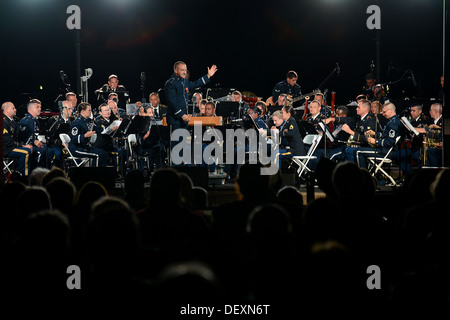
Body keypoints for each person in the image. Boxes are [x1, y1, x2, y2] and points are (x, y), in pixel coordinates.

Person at [164, 61, 218, 165]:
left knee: (184, 149)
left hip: (184, 121)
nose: (184, 72)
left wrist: (208, 76)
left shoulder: (183, 81)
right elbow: (172, 102)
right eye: (182, 70)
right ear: (176, 70)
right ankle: (176, 174)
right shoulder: (170, 83)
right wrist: (181, 115)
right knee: (177, 150)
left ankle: (182, 173)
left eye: (185, 70)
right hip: (176, 121)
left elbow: (195, 83)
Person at [354, 102, 402, 170]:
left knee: (358, 151)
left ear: (390, 110)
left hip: (387, 152)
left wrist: (375, 141)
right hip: (385, 150)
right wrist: (375, 134)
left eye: (384, 112)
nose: (383, 114)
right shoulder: (392, 121)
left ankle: (364, 175)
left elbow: (389, 142)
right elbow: (386, 135)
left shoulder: (393, 124)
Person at [69, 102, 108, 167]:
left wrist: (110, 128)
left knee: (104, 153)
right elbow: (74, 139)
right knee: (98, 155)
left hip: (86, 147)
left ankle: (102, 174)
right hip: (77, 149)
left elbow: (98, 130)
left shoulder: (89, 121)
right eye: (89, 110)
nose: (91, 112)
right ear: (83, 111)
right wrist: (84, 136)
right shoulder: (76, 123)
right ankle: (94, 175)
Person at [2, 101, 33, 177]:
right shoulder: (3, 122)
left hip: (10, 146)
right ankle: (24, 177)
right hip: (5, 149)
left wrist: (24, 144)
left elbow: (16, 138)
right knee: (26, 152)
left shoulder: (12, 121)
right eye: (13, 108)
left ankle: (20, 173)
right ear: (7, 110)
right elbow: (7, 141)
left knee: (31, 149)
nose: (15, 109)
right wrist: (22, 146)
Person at [18, 99, 49, 169]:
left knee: (48, 149)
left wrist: (37, 142)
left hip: (33, 145)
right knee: (41, 152)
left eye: (40, 107)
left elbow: (35, 136)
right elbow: (22, 138)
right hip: (25, 146)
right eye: (37, 107)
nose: (40, 109)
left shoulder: (36, 122)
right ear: (31, 108)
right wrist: (33, 142)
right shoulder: (26, 121)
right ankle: (36, 173)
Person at [45, 100, 74, 168]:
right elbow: (49, 137)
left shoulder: (73, 120)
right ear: (63, 110)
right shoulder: (54, 120)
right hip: (56, 145)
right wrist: (61, 142)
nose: (71, 111)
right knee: (57, 154)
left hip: (70, 144)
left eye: (71, 109)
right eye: (69, 109)